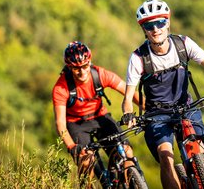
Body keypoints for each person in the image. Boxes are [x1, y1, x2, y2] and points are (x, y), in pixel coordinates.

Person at [121, 0, 204, 189]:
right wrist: (128, 113)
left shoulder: (183, 44)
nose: (155, 29)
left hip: (186, 106)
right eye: (149, 25)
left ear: (168, 22)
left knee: (201, 149)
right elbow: (128, 98)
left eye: (160, 23)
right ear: (143, 29)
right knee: (165, 156)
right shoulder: (138, 58)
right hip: (157, 115)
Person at [52, 41, 140, 188]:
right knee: (86, 161)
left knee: (126, 151)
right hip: (77, 124)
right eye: (76, 68)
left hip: (100, 117)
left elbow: (129, 92)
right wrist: (71, 146)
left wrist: (148, 109)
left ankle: (135, 182)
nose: (82, 72)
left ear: (90, 62)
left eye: (85, 66)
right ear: (69, 67)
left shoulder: (99, 74)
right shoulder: (61, 88)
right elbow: (60, 123)